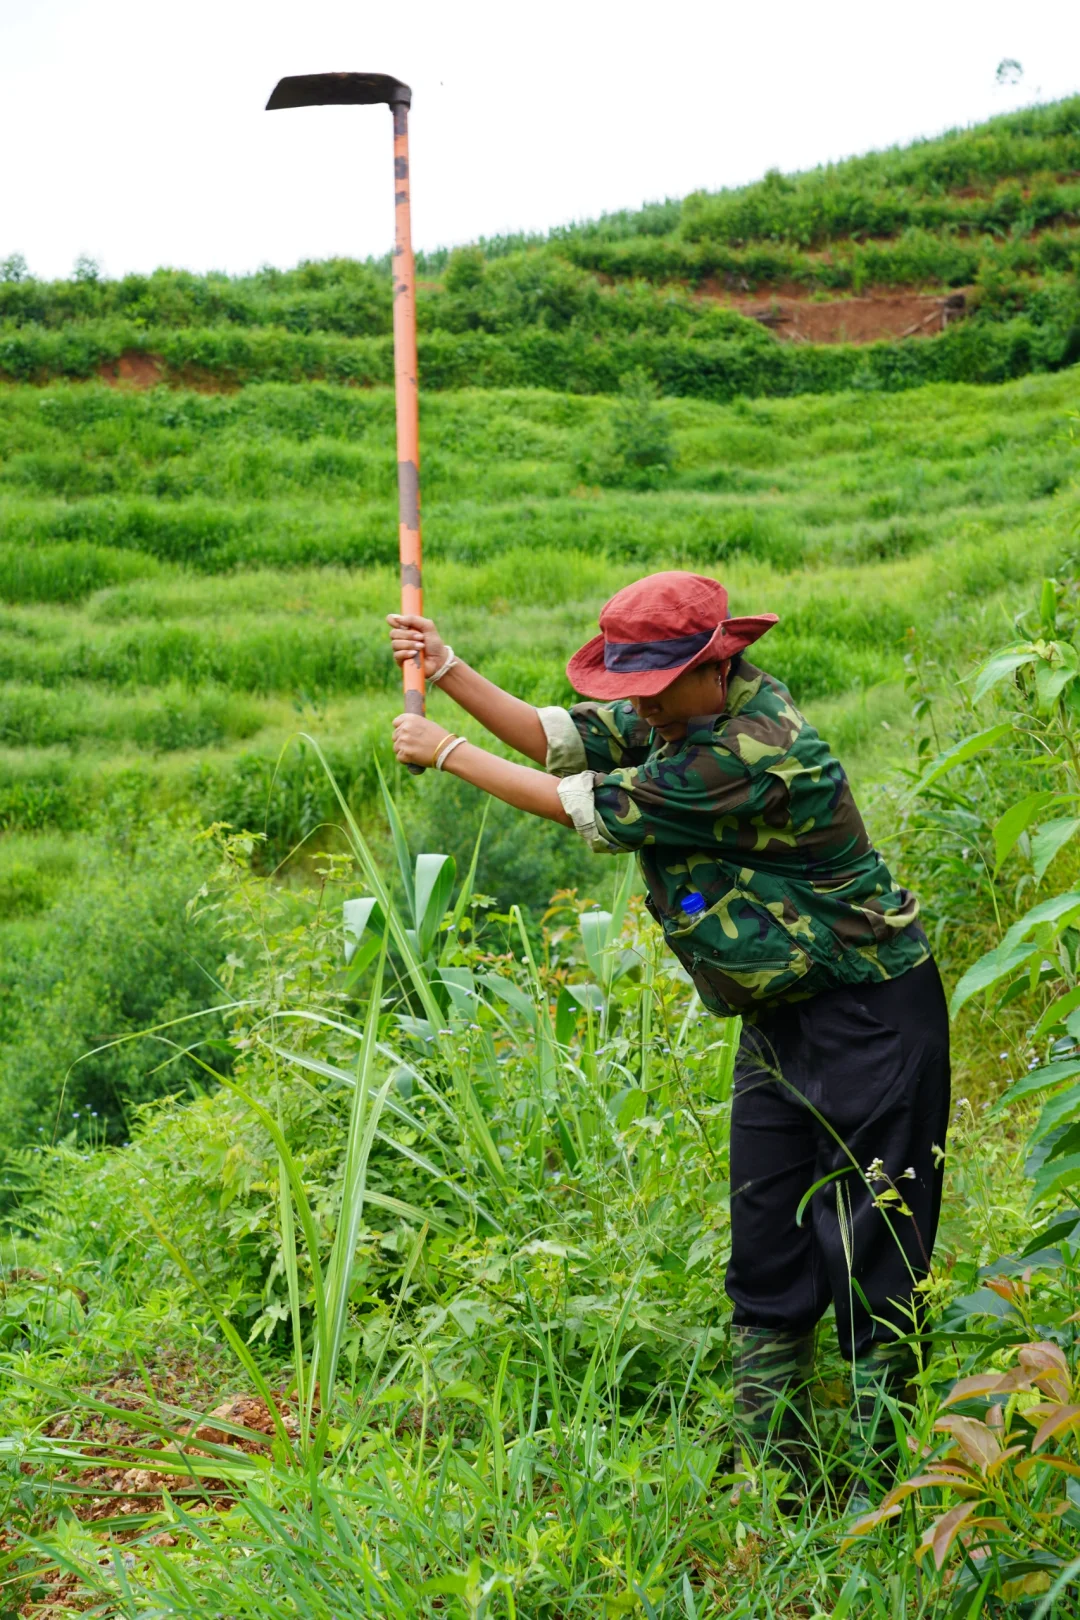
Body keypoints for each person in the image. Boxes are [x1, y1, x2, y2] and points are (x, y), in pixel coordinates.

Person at [387, 570, 950, 1487]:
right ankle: (782, 1482)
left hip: (869, 1011)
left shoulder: (751, 749)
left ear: (715, 665)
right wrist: (447, 666)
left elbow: (586, 807)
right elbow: (557, 738)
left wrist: (445, 749)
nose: (638, 701)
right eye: (630, 683)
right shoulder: (677, 714)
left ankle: (883, 1490)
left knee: (874, 1249)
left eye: (654, 681)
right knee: (767, 1237)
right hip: (778, 1016)